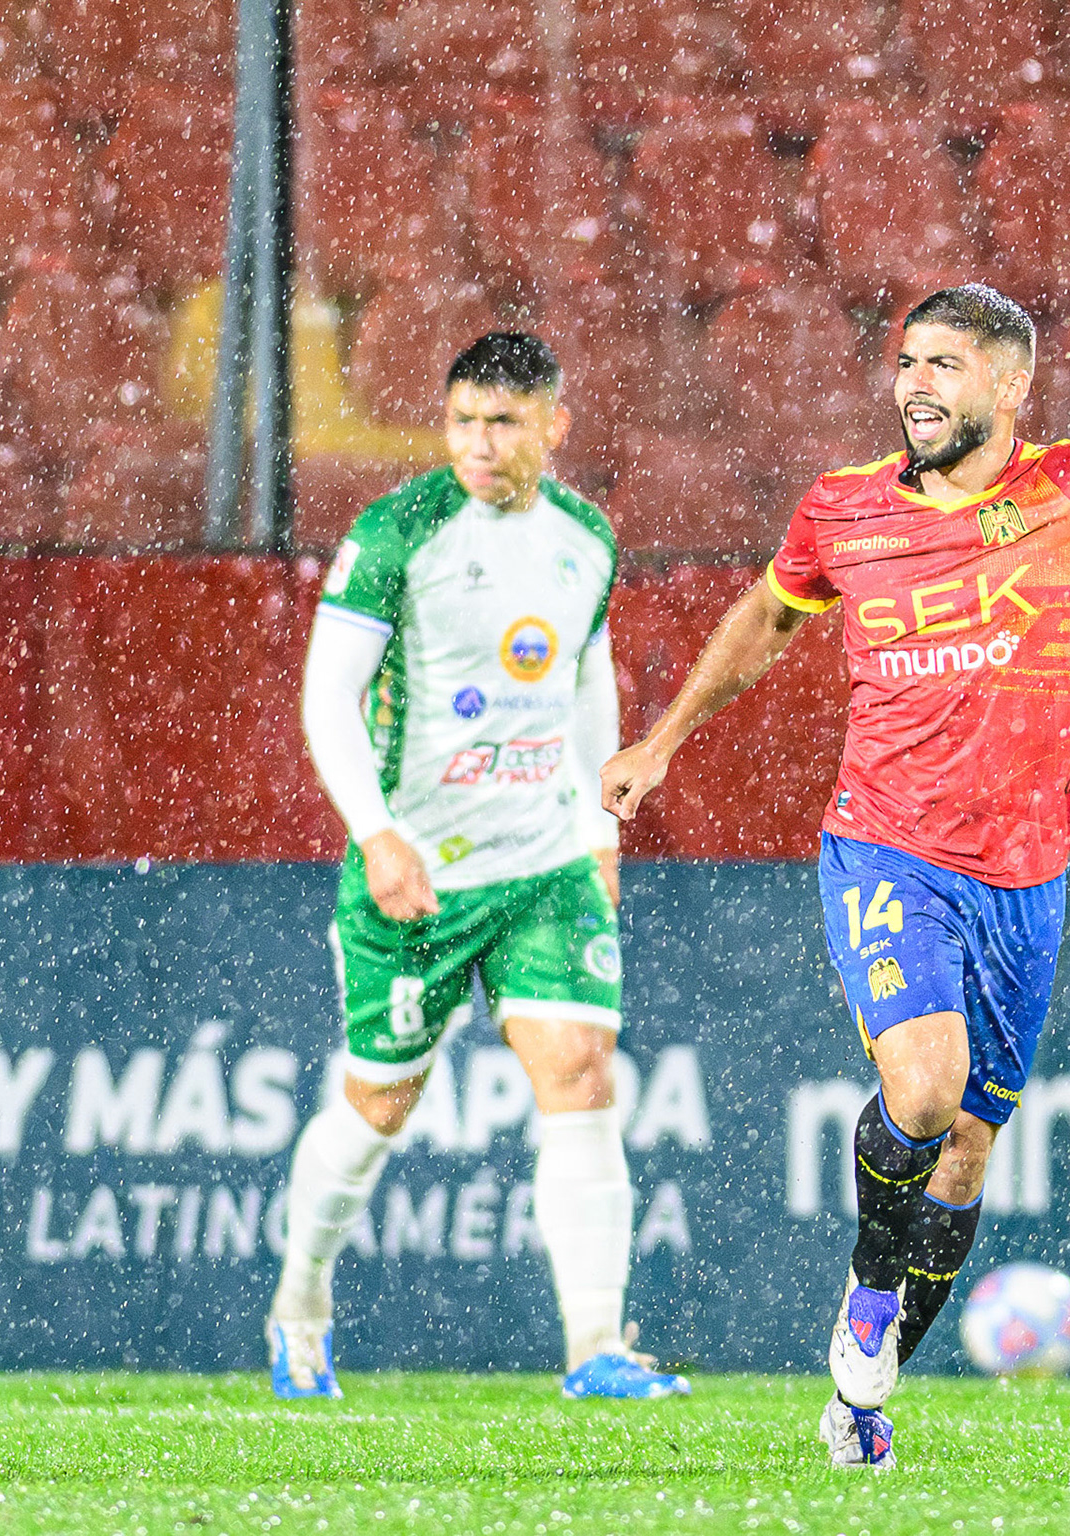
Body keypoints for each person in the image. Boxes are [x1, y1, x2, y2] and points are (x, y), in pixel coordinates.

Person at [601, 200, 1070, 1465]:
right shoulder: (843, 510)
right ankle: (863, 1294)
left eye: (943, 366)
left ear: (1010, 386)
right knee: (923, 1086)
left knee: (964, 1159)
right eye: (905, 362)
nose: (912, 385)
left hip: (1026, 873)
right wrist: (664, 738)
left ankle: (866, 1390)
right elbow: (764, 620)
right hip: (887, 848)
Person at [266, 331, 689, 1402]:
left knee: (582, 1074)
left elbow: (589, 687)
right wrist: (376, 834)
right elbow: (328, 700)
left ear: (556, 425)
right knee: (378, 1108)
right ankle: (300, 1303)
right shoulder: (396, 532)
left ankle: (596, 1349)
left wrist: (602, 835)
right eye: (462, 420)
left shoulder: (585, 536)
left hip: (545, 862)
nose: (479, 442)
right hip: (419, 872)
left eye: (503, 422)